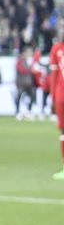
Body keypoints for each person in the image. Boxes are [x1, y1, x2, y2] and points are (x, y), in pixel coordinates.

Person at [50, 28, 64, 179]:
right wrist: (53, 97)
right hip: (61, 97)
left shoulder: (57, 49)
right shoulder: (56, 49)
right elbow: (54, 75)